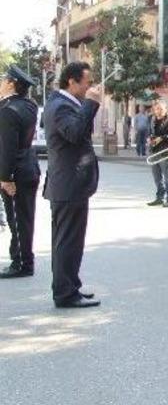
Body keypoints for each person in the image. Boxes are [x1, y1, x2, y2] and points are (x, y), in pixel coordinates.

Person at [42, 62, 102, 308]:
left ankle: (70, 285)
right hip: (68, 185)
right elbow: (75, 133)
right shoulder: (60, 106)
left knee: (69, 240)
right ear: (72, 82)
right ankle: (65, 294)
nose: (89, 86)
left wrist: (87, 105)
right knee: (68, 241)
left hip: (70, 185)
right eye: (86, 82)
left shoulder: (64, 103)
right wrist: (91, 103)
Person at [0, 65, 41, 279]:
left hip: (15, 172)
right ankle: (24, 259)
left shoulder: (7, 110)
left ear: (11, 84)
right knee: (25, 218)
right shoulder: (29, 105)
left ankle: (22, 263)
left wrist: (5, 178)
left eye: (2, 80)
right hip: (29, 168)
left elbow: (8, 149)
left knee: (16, 218)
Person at [147, 100, 168, 207]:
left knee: (167, 177)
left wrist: (162, 138)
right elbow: (151, 133)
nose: (159, 111)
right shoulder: (153, 120)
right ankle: (160, 197)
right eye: (157, 109)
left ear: (165, 109)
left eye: (161, 109)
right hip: (154, 151)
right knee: (157, 177)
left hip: (165, 151)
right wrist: (150, 139)